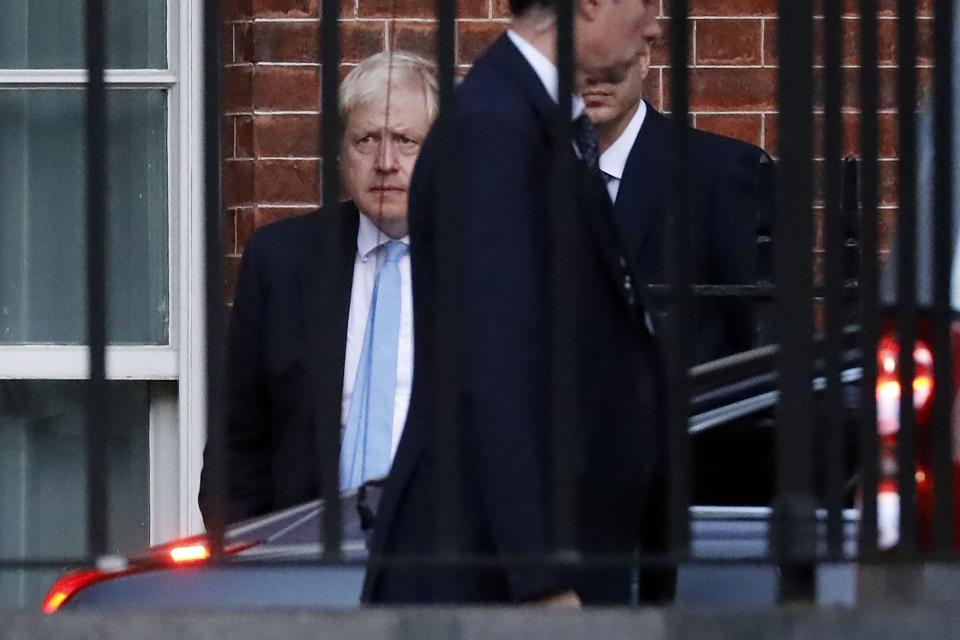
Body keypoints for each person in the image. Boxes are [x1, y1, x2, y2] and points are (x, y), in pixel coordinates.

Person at [364, 0, 663, 606]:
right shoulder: (495, 130)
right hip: (490, 584)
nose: (655, 24)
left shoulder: (530, 120)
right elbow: (495, 363)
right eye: (648, 1)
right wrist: (543, 580)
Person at [198, 51, 438, 527]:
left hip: (441, 564)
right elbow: (238, 446)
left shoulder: (489, 263)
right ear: (340, 153)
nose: (385, 163)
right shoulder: (282, 262)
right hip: (305, 561)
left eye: (406, 141)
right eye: (367, 139)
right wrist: (259, 560)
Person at [583, 21, 768, 364]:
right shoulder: (531, 172)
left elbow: (757, 340)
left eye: (611, 58)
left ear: (643, 58)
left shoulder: (721, 171)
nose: (596, 77)